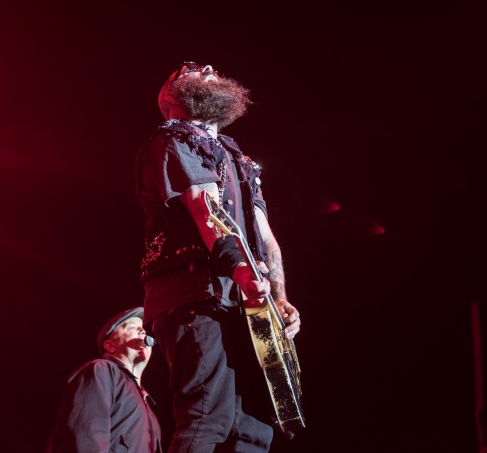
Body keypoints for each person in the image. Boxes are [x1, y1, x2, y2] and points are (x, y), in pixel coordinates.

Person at [133, 62, 302, 453]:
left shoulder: (241, 162)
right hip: (195, 294)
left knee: (256, 428)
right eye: (189, 69)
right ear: (171, 97)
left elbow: (265, 236)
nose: (208, 67)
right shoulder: (174, 140)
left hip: (247, 303)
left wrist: (278, 297)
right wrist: (241, 269)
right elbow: (205, 210)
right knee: (208, 415)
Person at [47, 306, 162, 453]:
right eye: (132, 327)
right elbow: (84, 438)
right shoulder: (101, 370)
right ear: (110, 345)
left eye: (143, 329)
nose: (142, 331)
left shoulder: (149, 409)